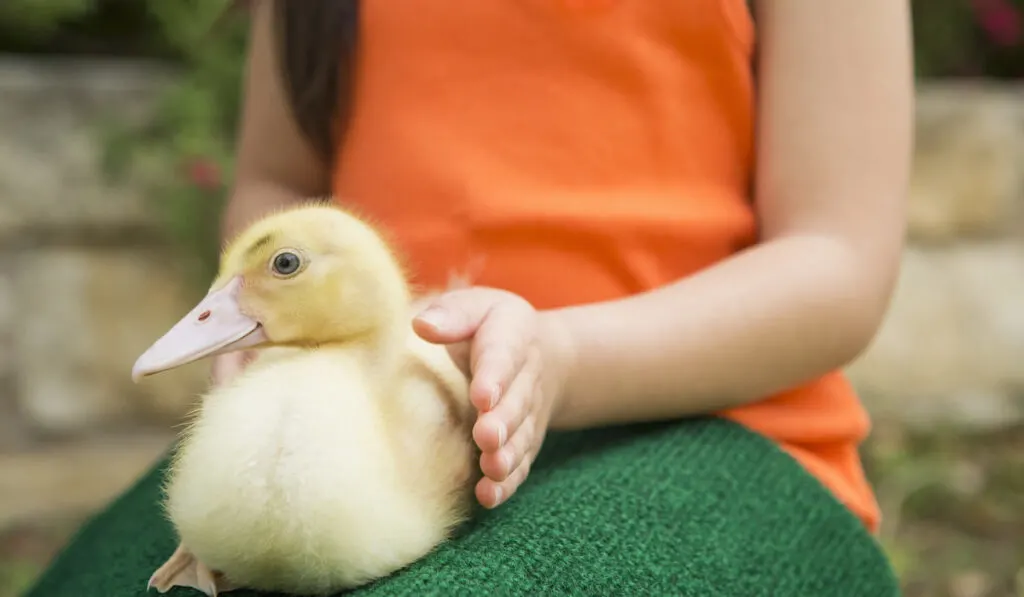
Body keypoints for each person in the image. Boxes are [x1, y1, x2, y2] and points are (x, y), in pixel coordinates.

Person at [214, 0, 910, 532]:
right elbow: (277, 180)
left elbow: (838, 258)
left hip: (729, 432)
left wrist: (559, 359)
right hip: (375, 432)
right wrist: (255, 314)